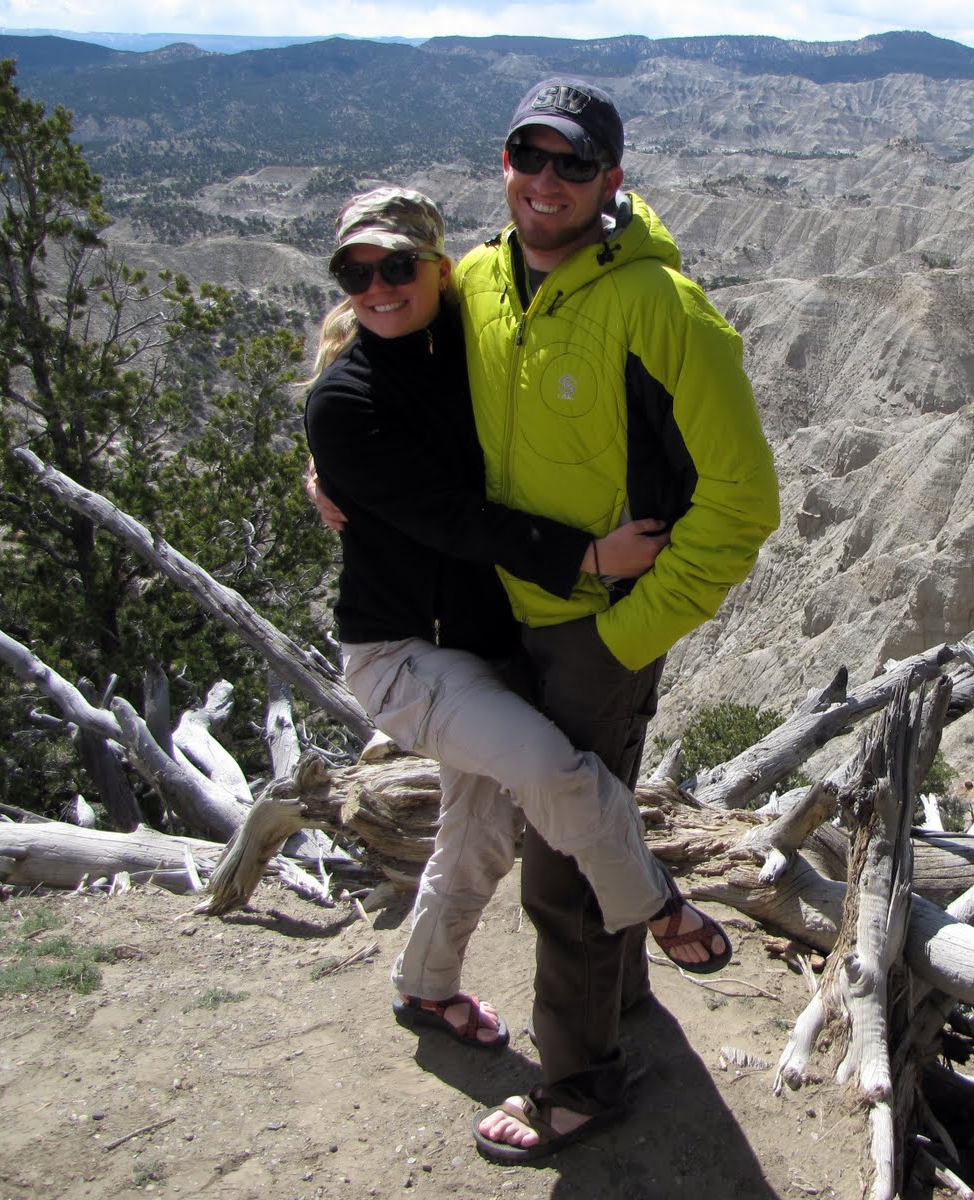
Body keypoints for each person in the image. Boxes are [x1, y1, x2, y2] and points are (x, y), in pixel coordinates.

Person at [302, 186, 734, 1060]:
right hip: (403, 653)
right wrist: (590, 556)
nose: (378, 288)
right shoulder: (346, 399)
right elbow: (452, 518)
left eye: (397, 267)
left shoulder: (464, 341)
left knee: (479, 836)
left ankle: (425, 987)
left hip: (481, 644)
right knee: (549, 767)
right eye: (356, 273)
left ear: (439, 269)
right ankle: (657, 905)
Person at [455, 78, 780, 1162]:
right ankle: (624, 994)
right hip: (501, 614)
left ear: (612, 180)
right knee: (589, 822)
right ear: (504, 162)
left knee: (561, 866)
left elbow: (744, 503)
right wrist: (332, 470)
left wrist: (625, 637)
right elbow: (378, 367)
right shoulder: (477, 281)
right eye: (529, 155)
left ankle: (583, 1085)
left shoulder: (662, 309)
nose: (546, 181)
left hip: (597, 631)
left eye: (574, 164)